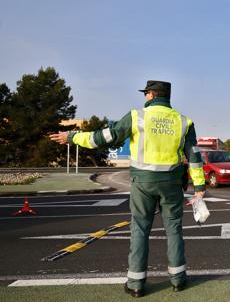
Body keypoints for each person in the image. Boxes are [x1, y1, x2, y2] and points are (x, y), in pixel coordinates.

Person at [50, 80, 206, 298]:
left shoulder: (137, 117)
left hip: (142, 183)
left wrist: (73, 137)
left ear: (151, 95)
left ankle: (135, 283)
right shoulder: (183, 121)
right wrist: (199, 186)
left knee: (140, 230)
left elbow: (106, 137)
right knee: (174, 229)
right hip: (171, 184)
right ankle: (178, 280)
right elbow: (195, 156)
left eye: (146, 94)